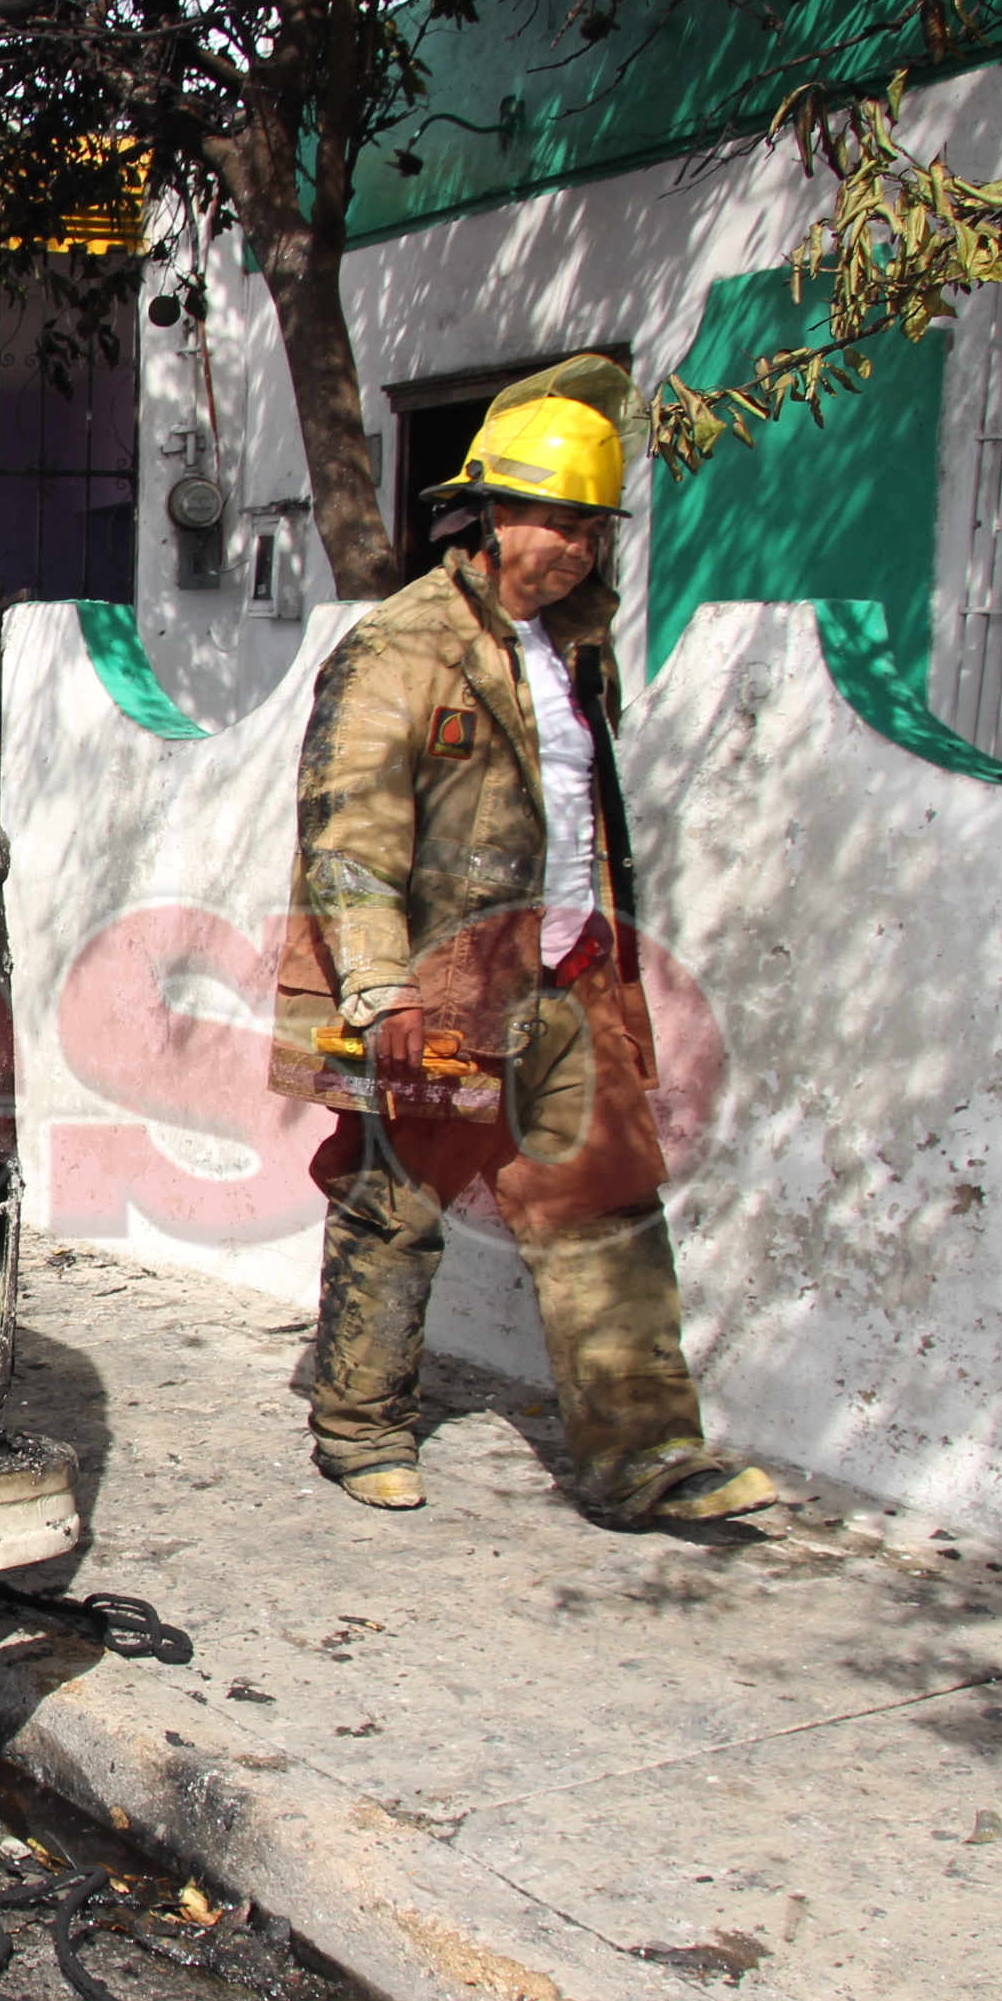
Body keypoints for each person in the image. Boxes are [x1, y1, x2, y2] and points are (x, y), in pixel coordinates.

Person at [269, 355, 775, 1528]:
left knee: (606, 1208)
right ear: (491, 515)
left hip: (568, 971)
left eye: (594, 529)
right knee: (396, 1208)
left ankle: (645, 1455)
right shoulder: (405, 645)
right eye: (559, 523)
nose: (579, 549)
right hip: (440, 983)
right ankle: (358, 1426)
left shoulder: (573, 652)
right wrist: (379, 988)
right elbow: (348, 826)